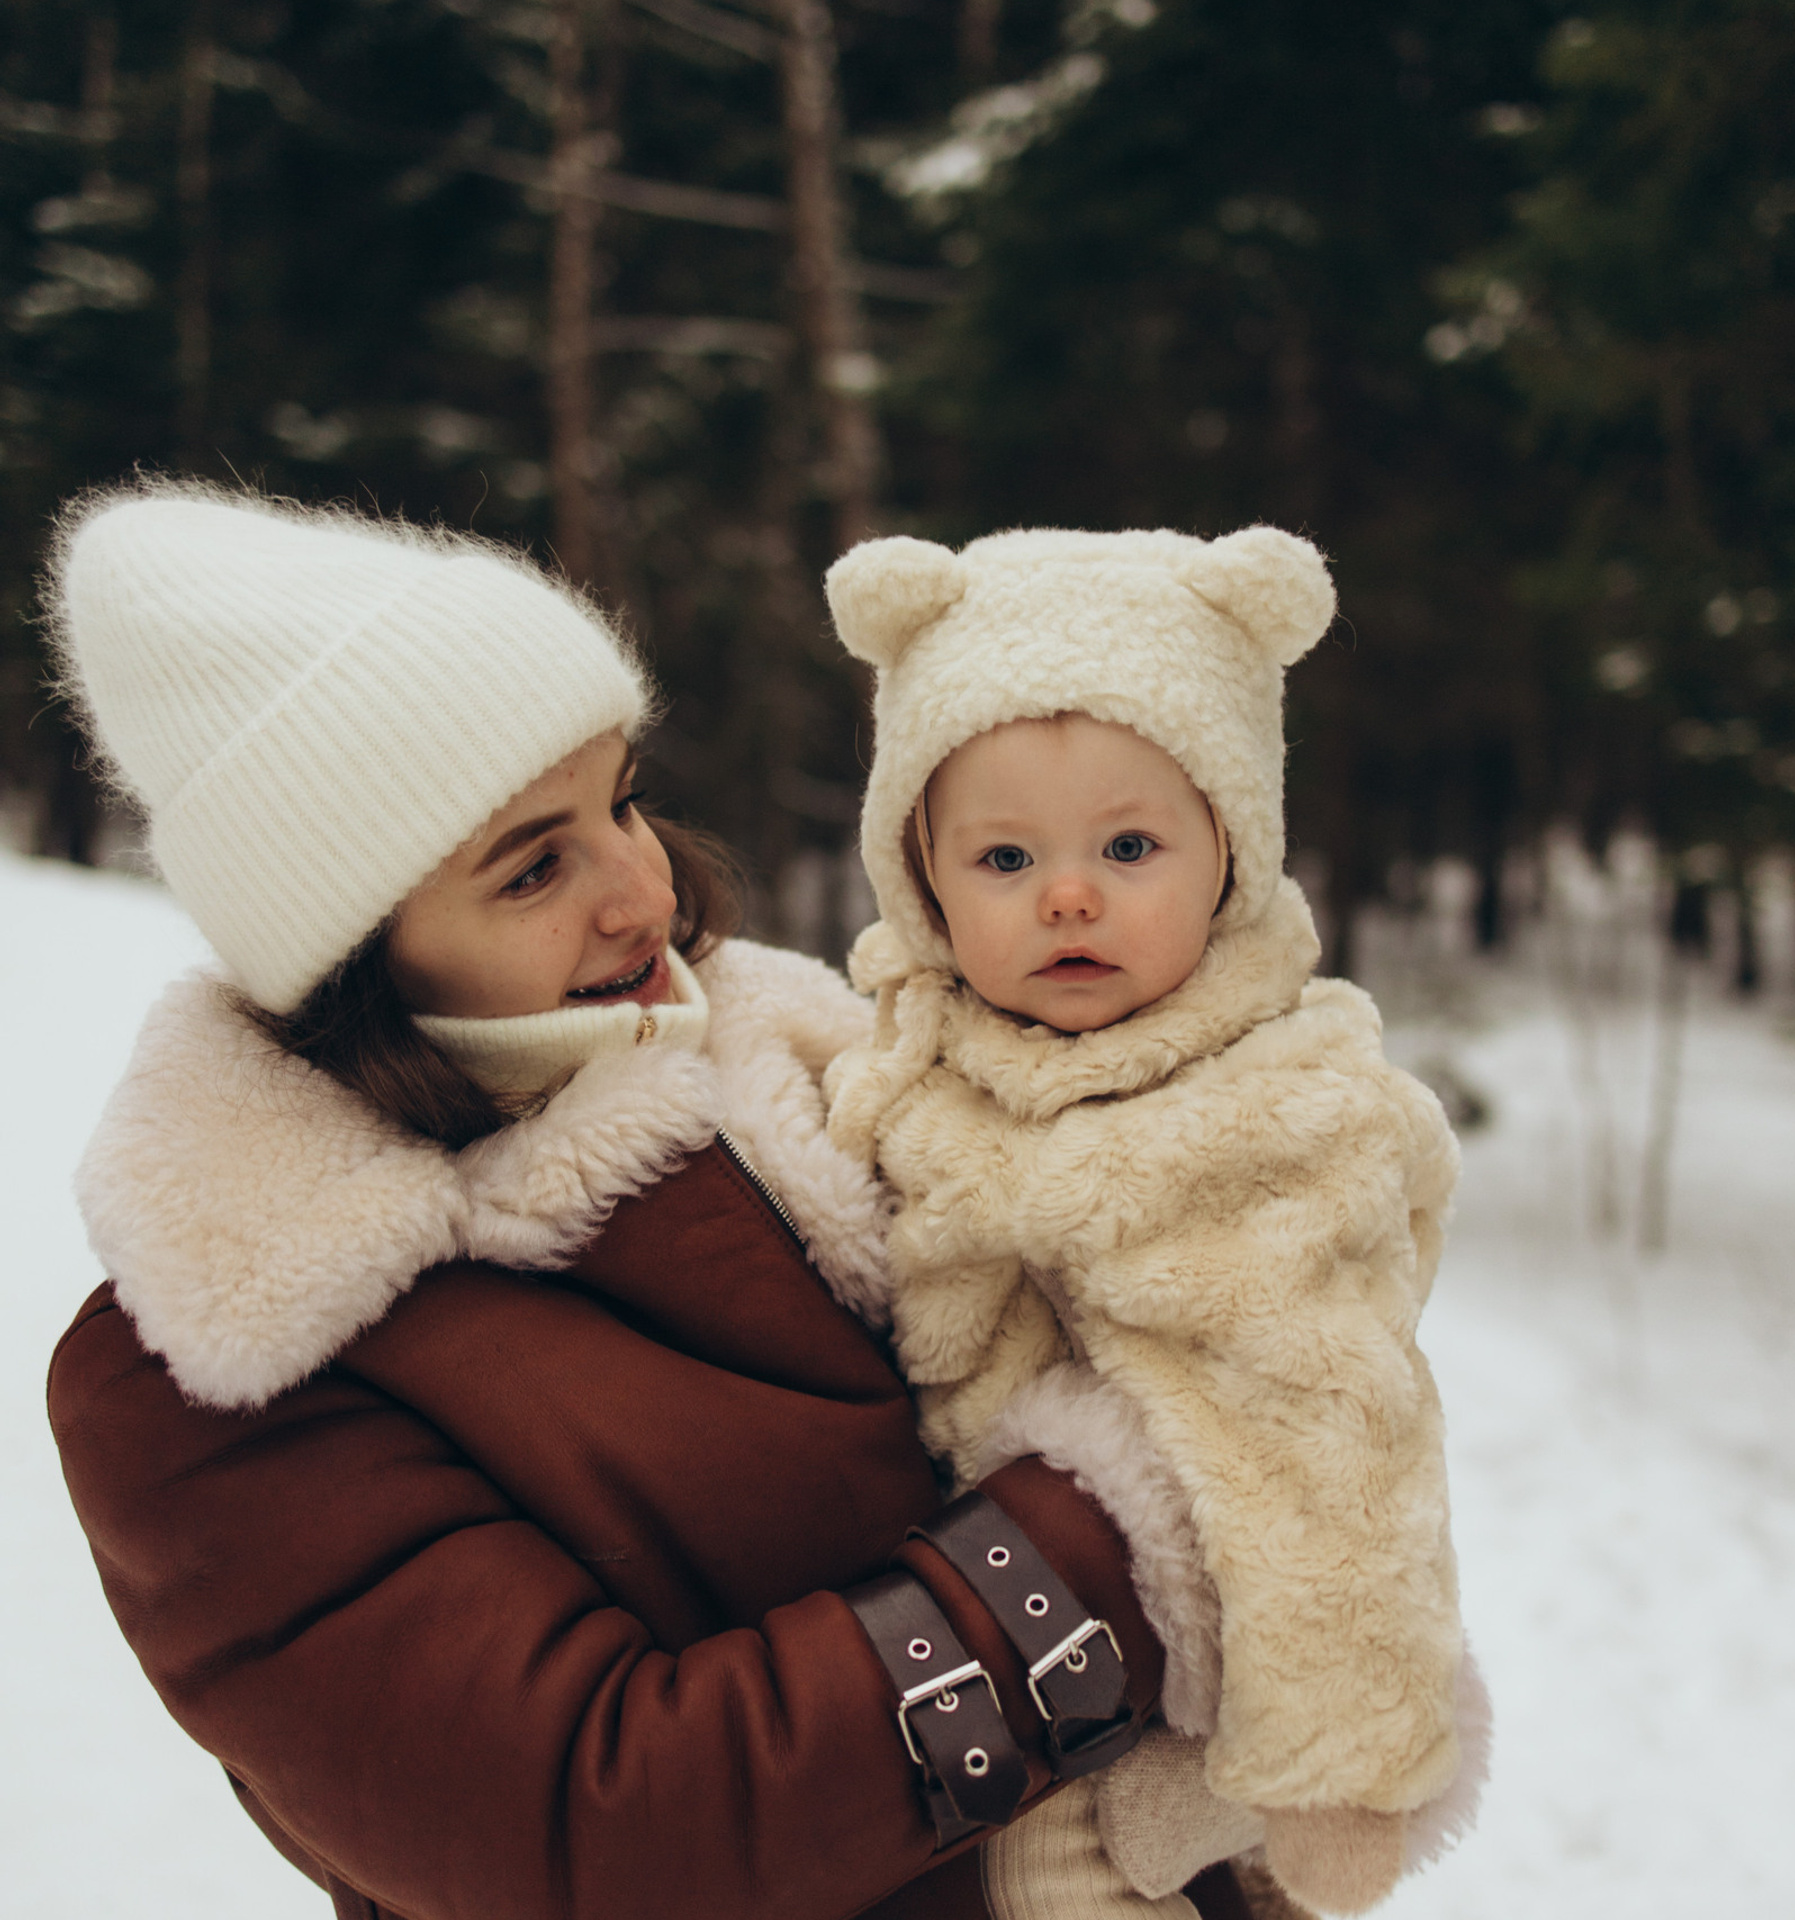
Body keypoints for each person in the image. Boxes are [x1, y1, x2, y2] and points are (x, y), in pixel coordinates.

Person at [43, 482, 1255, 1920]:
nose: (645, 893)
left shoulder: (820, 1060)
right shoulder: (216, 1369)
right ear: (357, 958)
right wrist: (1110, 1537)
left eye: (620, 798)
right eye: (534, 866)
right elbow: (602, 1831)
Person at [821, 528, 1490, 1917]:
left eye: (1130, 846)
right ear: (923, 882)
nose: (1070, 894)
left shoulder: (1281, 1110)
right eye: (1004, 856)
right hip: (976, 1674)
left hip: (1226, 1709)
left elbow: (1338, 1439)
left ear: (1228, 855)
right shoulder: (899, 1070)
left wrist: (1340, 1767)